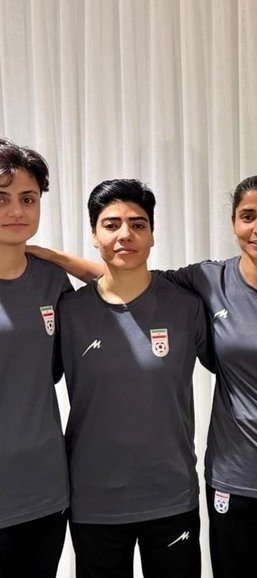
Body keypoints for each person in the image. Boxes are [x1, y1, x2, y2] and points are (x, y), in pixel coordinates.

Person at [35, 174, 257, 577]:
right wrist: (47, 257)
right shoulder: (201, 283)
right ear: (233, 223)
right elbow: (125, 272)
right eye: (248, 216)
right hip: (213, 481)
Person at [59, 179, 212, 577]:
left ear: (152, 235)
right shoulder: (69, 312)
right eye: (111, 225)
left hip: (171, 496)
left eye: (138, 224)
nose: (125, 234)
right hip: (93, 501)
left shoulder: (187, 306)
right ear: (93, 235)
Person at [0, 139, 70, 577]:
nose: (17, 211)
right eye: (2, 199)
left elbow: (132, 286)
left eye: (28, 199)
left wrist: (58, 257)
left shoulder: (52, 281)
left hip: (45, 489)